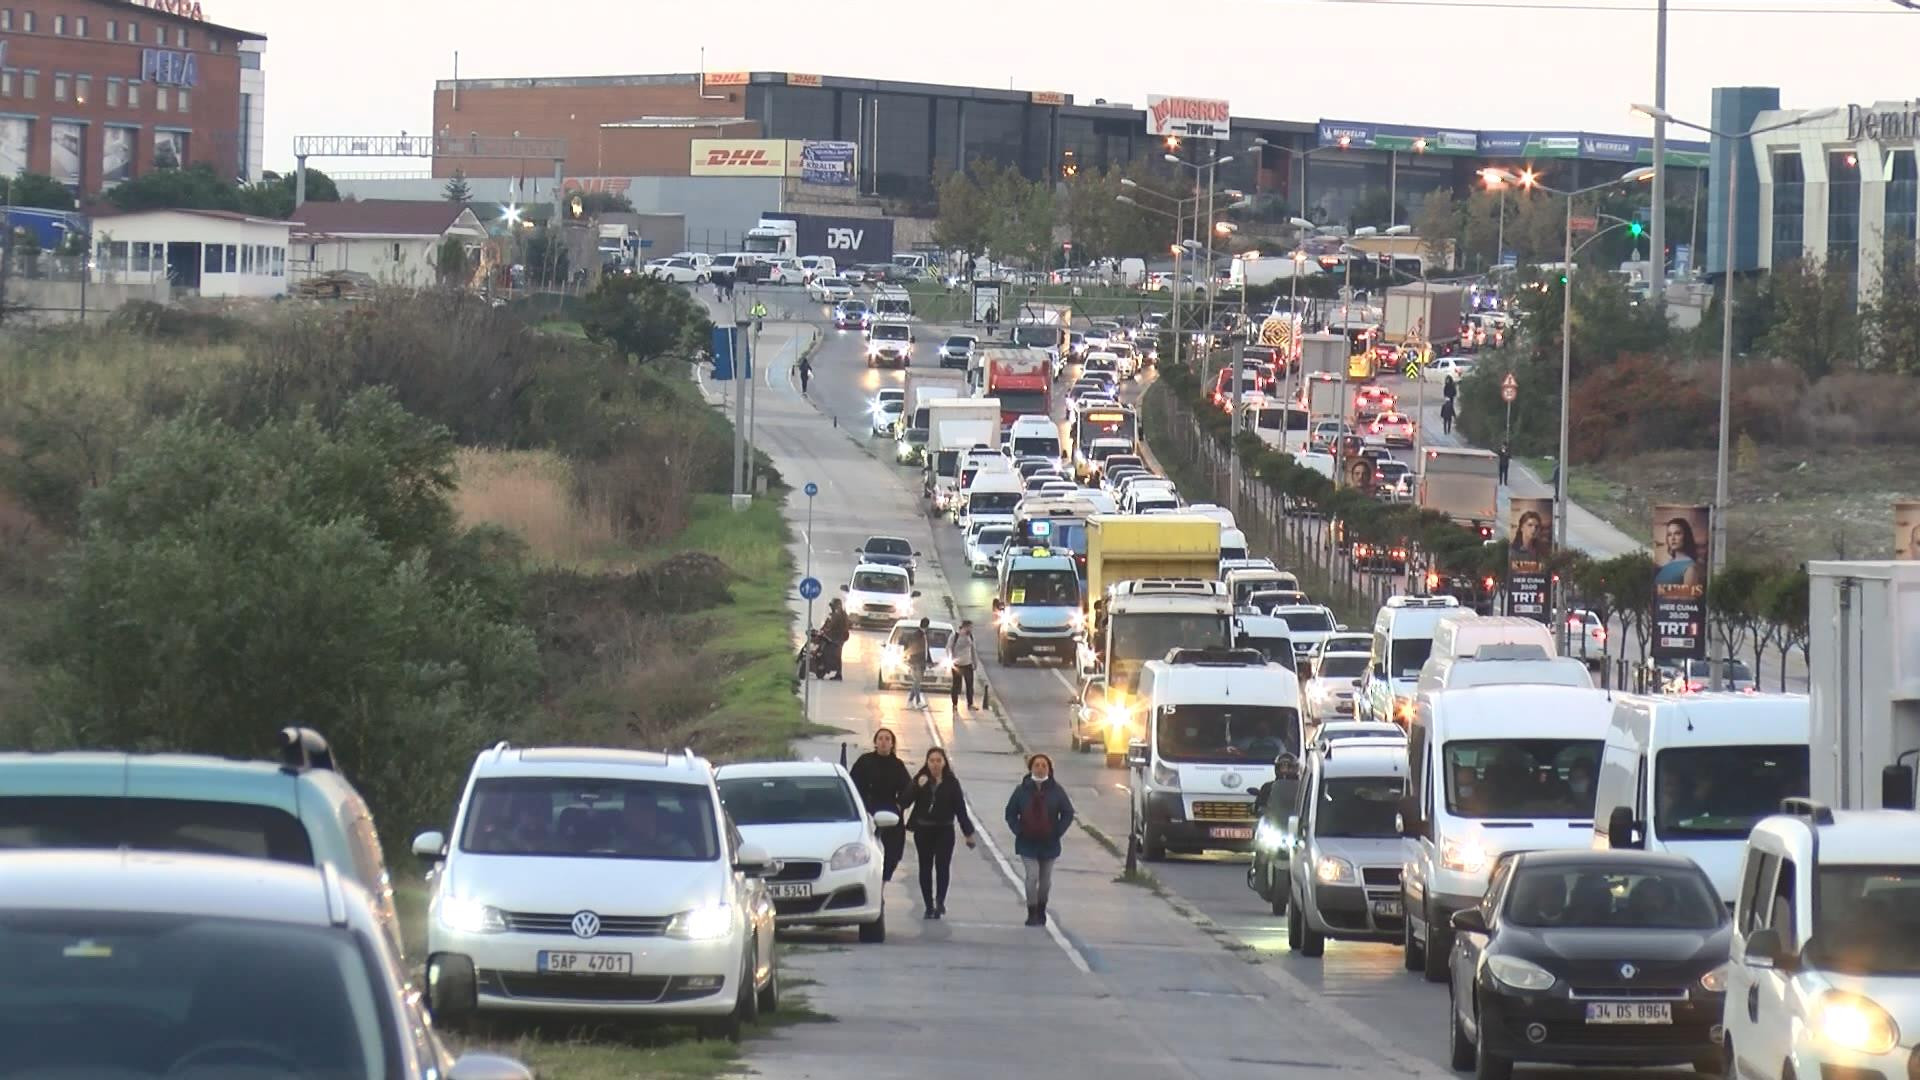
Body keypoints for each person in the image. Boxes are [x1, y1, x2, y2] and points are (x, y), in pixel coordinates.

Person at [1004, 754, 1074, 926]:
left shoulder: (1056, 791)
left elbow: (1068, 813)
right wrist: (1019, 830)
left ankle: (1042, 909)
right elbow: (1010, 813)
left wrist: (1057, 831)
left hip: (1049, 842)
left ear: (1049, 769)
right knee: (1032, 875)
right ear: (1031, 768)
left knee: (1045, 880)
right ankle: (1032, 911)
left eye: (1044, 765)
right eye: (1037, 765)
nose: (1040, 768)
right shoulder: (1021, 790)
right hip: (1027, 842)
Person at [906, 748, 977, 919]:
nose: (935, 764)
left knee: (942, 866)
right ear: (927, 762)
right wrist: (916, 786)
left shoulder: (952, 783)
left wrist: (968, 833)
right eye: (932, 760)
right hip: (924, 830)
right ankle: (928, 905)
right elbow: (905, 800)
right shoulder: (921, 779)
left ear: (944, 762)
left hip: (944, 830)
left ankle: (940, 901)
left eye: (939, 760)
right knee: (925, 867)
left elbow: (960, 809)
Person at [849, 728, 913, 881]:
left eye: (887, 739)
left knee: (893, 853)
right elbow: (852, 784)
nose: (883, 742)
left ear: (892, 744)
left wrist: (900, 805)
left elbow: (909, 789)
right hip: (867, 810)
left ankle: (883, 882)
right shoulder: (865, 761)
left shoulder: (897, 765)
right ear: (875, 742)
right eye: (880, 738)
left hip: (891, 811)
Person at [1655, 517, 1706, 589]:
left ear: (1686, 536)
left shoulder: (1690, 568)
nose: (1672, 538)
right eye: (1669, 534)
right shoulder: (1668, 563)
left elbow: (1688, 599)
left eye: (1677, 533)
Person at [948, 620, 978, 711]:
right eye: (970, 627)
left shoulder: (970, 637)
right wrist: (951, 658)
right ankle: (954, 704)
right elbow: (949, 647)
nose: (971, 629)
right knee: (956, 685)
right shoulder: (955, 636)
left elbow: (973, 650)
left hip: (968, 664)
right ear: (965, 627)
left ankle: (970, 704)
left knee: (969, 685)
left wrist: (975, 662)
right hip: (957, 664)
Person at [903, 617, 932, 709]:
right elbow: (914, 648)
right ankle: (918, 701)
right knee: (917, 681)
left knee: (917, 681)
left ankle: (910, 701)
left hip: (921, 661)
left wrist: (929, 661)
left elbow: (926, 649)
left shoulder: (924, 635)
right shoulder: (917, 635)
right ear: (927, 626)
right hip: (916, 661)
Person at [822, 600, 850, 680]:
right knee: (837, 655)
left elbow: (832, 625)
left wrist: (826, 630)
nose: (831, 608)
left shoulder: (838, 614)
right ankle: (837, 672)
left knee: (835, 654)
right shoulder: (842, 613)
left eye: (832, 606)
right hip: (839, 637)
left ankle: (837, 673)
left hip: (838, 637)